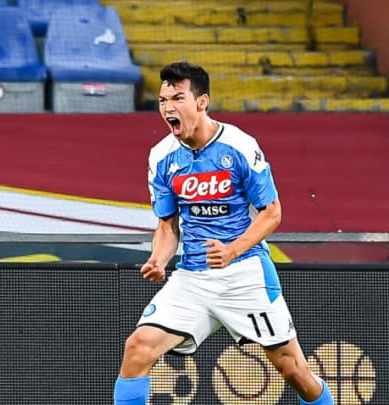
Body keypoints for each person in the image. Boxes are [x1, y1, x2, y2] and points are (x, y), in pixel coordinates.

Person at [113, 62, 334, 405]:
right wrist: (158, 258)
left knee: (295, 373)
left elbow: (272, 212)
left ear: (202, 102)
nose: (168, 108)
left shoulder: (240, 146)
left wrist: (232, 250)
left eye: (177, 98)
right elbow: (167, 225)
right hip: (193, 277)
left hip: (245, 273)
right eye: (162, 100)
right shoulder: (161, 157)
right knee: (138, 348)